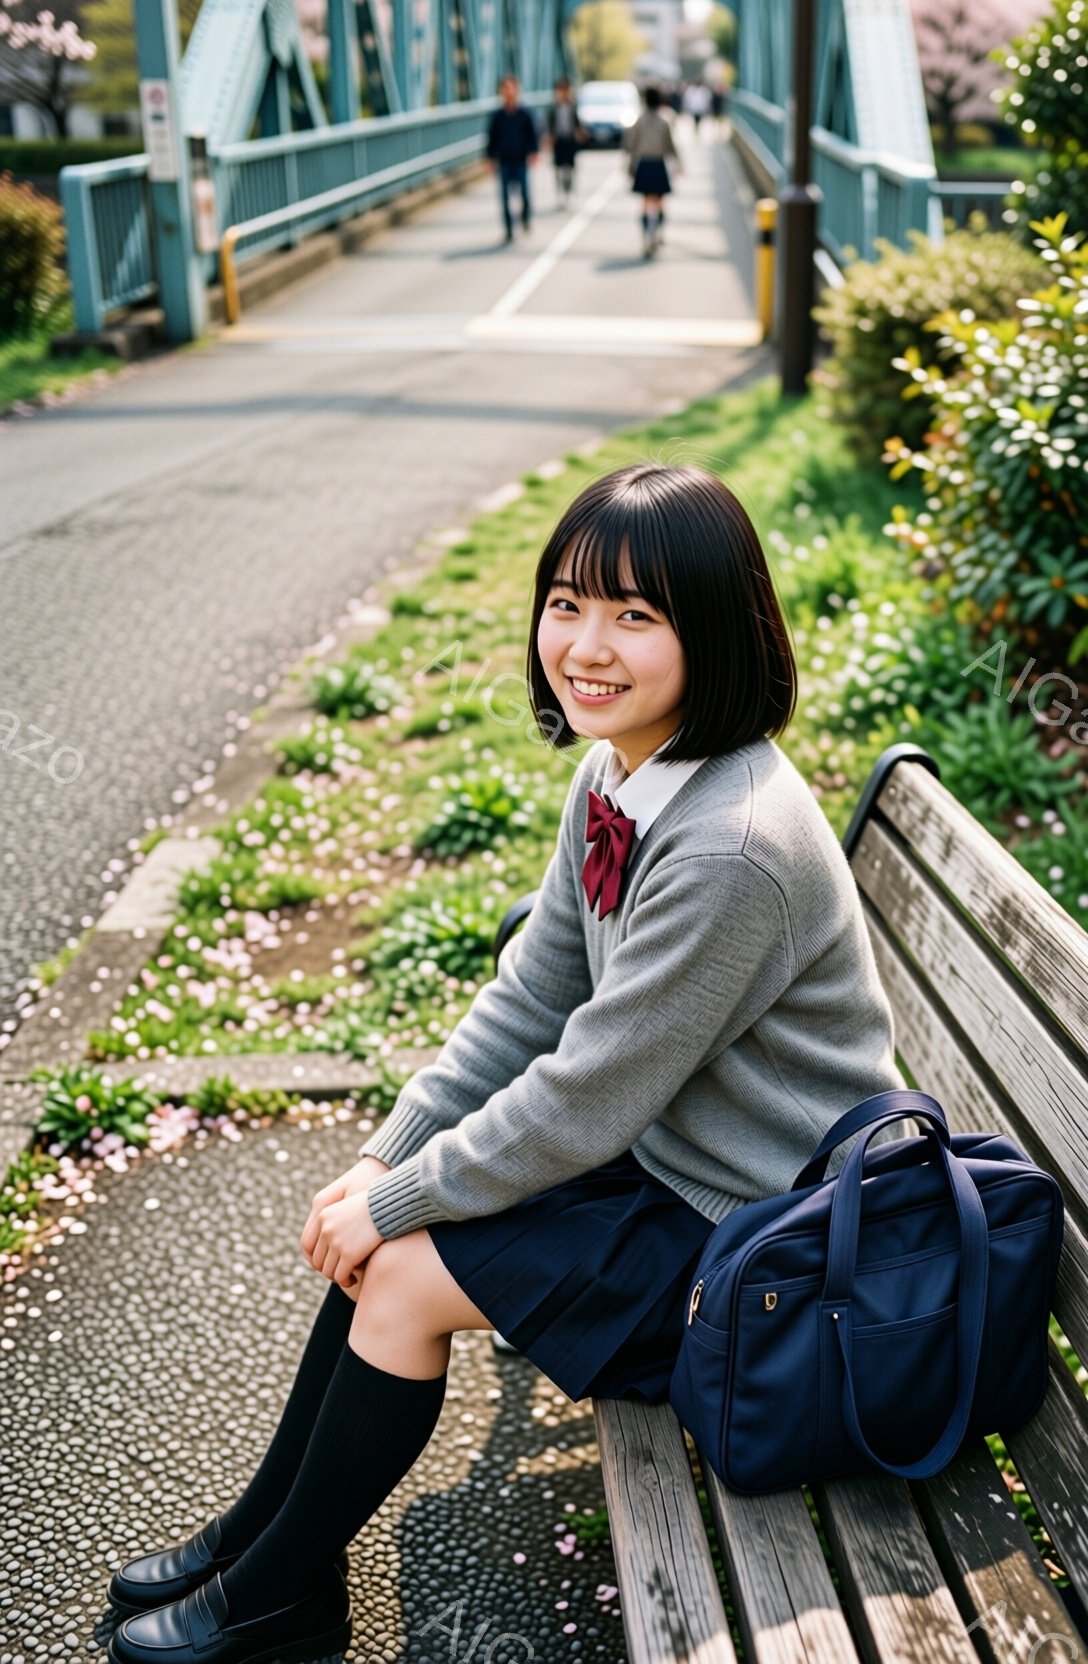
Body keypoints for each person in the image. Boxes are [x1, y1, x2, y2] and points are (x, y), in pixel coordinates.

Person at [106, 462, 910, 1663]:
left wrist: (399, 1200)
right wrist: (390, 1150)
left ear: (720, 631)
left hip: (753, 1236)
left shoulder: (730, 847)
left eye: (636, 617)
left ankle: (277, 1596)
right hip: (663, 1161)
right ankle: (265, 1541)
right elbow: (534, 993)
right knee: (378, 1241)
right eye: (567, 603)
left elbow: (584, 1095)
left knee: (401, 1274)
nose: (586, 645)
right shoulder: (618, 771)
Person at [625, 83, 681, 258]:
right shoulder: (664, 121)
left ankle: (646, 236)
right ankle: (658, 233)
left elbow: (631, 145)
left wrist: (629, 166)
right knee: (659, 201)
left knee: (645, 202)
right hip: (658, 164)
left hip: (644, 164)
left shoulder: (639, 120)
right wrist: (678, 164)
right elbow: (670, 146)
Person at [486, 73, 539, 242]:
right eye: (504, 88)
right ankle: (508, 229)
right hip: (504, 161)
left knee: (524, 194)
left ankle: (525, 218)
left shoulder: (524, 114)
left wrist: (534, 152)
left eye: (510, 88)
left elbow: (532, 135)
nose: (508, 92)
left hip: (521, 159)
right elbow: (491, 138)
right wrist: (489, 158)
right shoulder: (497, 116)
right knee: (504, 197)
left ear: (516, 90)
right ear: (501, 92)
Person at [544, 75, 582, 207]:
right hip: (558, 141)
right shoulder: (554, 107)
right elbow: (549, 124)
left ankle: (569, 191)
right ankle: (560, 193)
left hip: (570, 140)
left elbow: (577, 123)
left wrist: (579, 133)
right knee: (559, 169)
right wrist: (549, 137)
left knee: (570, 169)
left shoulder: (572, 106)